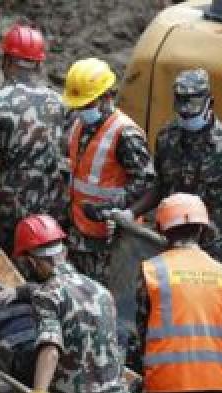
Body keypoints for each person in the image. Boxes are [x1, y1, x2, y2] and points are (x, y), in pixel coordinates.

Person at [17, 214, 140, 393]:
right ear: (64, 251)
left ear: (32, 262)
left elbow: (51, 350)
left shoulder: (48, 295)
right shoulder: (101, 291)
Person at [130, 193, 222, 393]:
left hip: (168, 382)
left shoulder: (153, 270)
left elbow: (141, 332)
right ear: (202, 229)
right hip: (216, 384)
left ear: (162, 230)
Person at [129, 69, 222, 269]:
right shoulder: (166, 138)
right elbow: (160, 186)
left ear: (209, 104)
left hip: (209, 250)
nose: (186, 114)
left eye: (193, 107)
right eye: (181, 106)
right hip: (167, 242)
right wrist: (131, 213)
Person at [0, 24, 69, 255]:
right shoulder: (57, 101)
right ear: (39, 63)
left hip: (8, 209)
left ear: (7, 61)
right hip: (48, 209)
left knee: (7, 270)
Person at [63, 58, 154, 284]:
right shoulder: (79, 125)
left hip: (111, 238)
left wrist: (111, 206)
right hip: (80, 232)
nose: (82, 110)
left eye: (87, 104)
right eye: (79, 105)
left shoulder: (125, 133)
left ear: (106, 97)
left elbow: (146, 182)